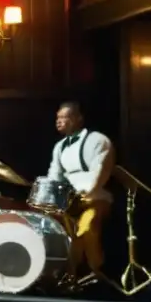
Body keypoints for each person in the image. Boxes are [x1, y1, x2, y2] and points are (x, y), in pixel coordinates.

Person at [46, 101, 114, 280]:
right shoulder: (59, 147)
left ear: (78, 119)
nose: (59, 121)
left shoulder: (98, 141)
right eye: (57, 118)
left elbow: (100, 173)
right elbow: (54, 176)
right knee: (58, 231)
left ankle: (96, 272)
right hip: (70, 201)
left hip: (96, 198)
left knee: (87, 226)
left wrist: (83, 194)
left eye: (64, 117)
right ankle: (68, 275)